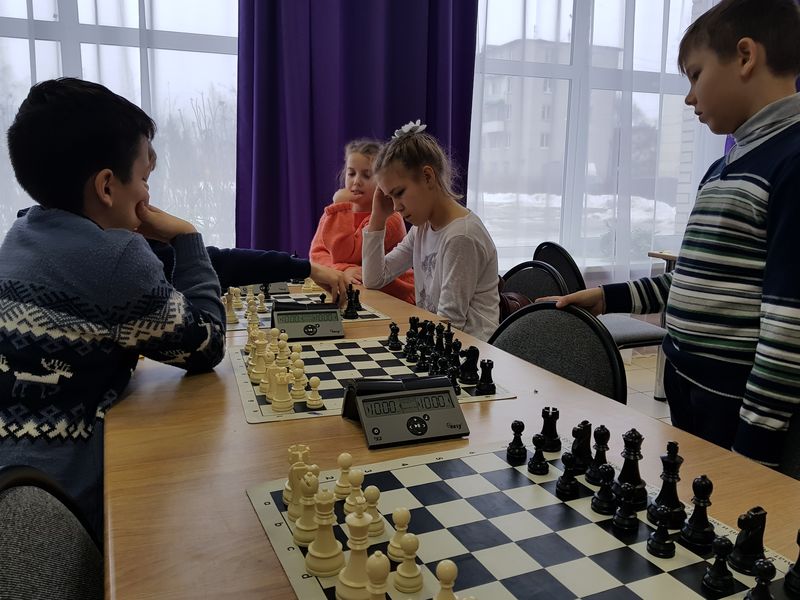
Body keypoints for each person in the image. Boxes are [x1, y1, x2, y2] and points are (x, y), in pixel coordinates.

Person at [549, 0, 800, 471]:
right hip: (692, 395)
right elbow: (689, 280)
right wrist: (606, 297)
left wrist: (754, 452)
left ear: (745, 56)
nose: (689, 98)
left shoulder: (792, 162)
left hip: (741, 416)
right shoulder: (720, 169)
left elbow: (788, 329)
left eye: (695, 75)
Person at [0, 78, 227, 537]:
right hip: (61, 515)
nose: (148, 195)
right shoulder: (115, 257)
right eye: (144, 179)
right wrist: (187, 237)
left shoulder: (19, 235)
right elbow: (207, 344)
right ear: (107, 186)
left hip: (15, 484)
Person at [362, 121, 499, 341]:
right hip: (436, 340)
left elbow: (449, 323)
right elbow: (374, 279)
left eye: (399, 193)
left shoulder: (461, 236)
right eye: (389, 197)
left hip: (467, 350)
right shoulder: (422, 228)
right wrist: (378, 218)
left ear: (428, 176)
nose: (396, 207)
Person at [310, 139, 415, 304]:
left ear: (383, 180)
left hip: (393, 299)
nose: (356, 181)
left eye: (366, 175)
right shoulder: (333, 213)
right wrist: (345, 270)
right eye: (351, 173)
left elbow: (344, 253)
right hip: (357, 294)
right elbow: (317, 256)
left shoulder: (389, 217)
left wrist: (341, 208)